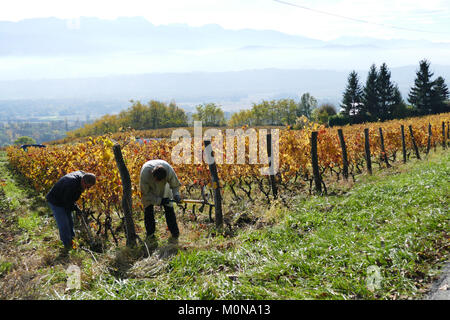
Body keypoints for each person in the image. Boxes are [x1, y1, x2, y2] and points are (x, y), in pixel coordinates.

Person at [46, 171, 96, 252]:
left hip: (65, 199)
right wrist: (76, 208)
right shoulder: (70, 183)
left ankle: (72, 241)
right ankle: (67, 246)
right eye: (87, 187)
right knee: (64, 224)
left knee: (70, 222)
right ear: (83, 181)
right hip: (56, 201)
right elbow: (67, 201)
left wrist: (76, 208)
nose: (87, 189)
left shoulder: (83, 178)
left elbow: (71, 199)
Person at [139, 159, 182, 244]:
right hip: (149, 190)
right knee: (148, 210)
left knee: (169, 208)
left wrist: (176, 195)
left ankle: (175, 234)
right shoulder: (145, 174)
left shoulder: (169, 171)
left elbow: (175, 185)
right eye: (156, 180)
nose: (157, 182)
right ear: (152, 175)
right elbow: (146, 194)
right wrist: (159, 201)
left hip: (165, 187)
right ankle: (150, 235)